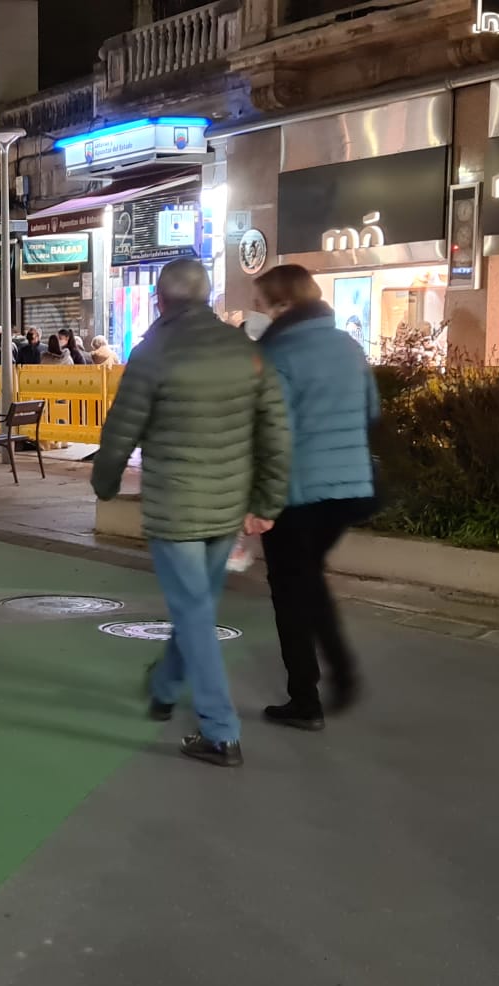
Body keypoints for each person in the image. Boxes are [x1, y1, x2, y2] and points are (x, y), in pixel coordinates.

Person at [91, 258, 291, 768]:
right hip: (227, 508)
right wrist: (266, 502)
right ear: (206, 297)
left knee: (194, 613)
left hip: (175, 507)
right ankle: (163, 687)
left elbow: (121, 429)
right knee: (196, 608)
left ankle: (220, 732)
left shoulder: (154, 352)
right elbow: (276, 431)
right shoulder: (246, 353)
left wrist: (106, 481)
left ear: (161, 300)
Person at [251, 265, 380, 730]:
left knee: (290, 590)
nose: (260, 313)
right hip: (349, 488)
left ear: (283, 304)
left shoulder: (278, 352)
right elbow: (371, 411)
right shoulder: (348, 346)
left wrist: (261, 502)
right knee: (308, 580)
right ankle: (342, 673)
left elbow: (272, 433)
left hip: (296, 491)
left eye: (263, 303)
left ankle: (305, 698)